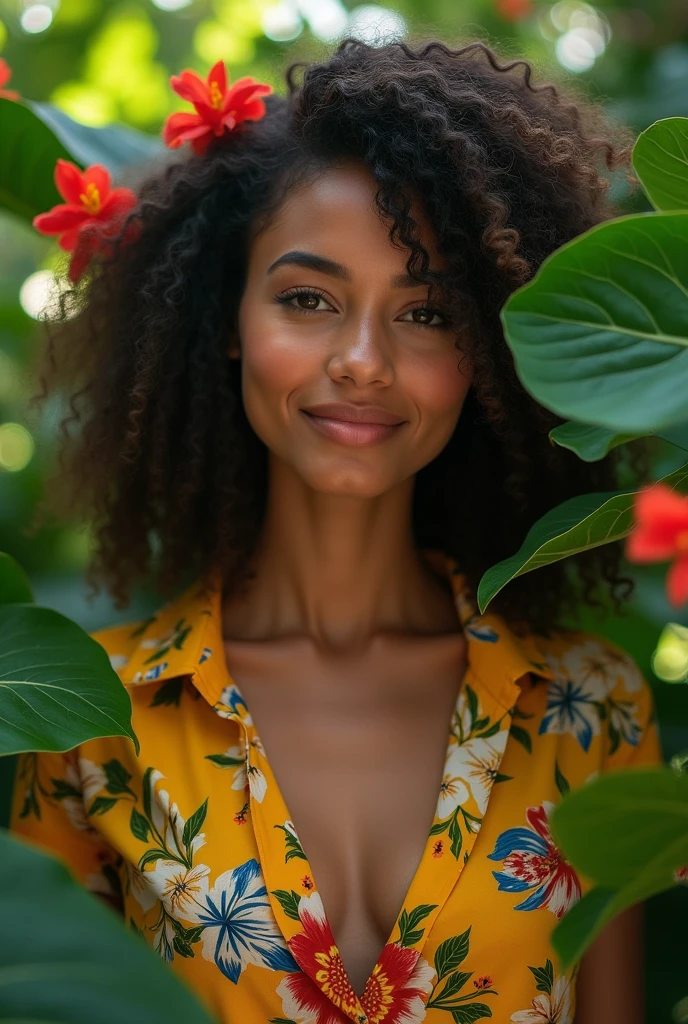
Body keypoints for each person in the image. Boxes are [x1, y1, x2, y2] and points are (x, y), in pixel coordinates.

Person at [10, 36, 663, 1024]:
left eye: (428, 312)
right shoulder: (92, 730)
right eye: (308, 300)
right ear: (226, 319)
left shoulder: (594, 712)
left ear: (481, 351)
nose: (362, 360)